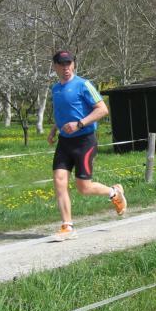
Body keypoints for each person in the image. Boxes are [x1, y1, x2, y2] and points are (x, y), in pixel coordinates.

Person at [47, 50, 127, 242]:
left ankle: (114, 193)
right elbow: (63, 113)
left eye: (69, 63)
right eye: (62, 64)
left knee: (83, 187)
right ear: (55, 66)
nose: (66, 68)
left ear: (73, 64)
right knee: (59, 180)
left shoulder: (84, 85)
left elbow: (103, 109)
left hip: (84, 141)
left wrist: (80, 124)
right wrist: (54, 129)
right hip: (64, 141)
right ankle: (67, 226)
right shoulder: (55, 89)